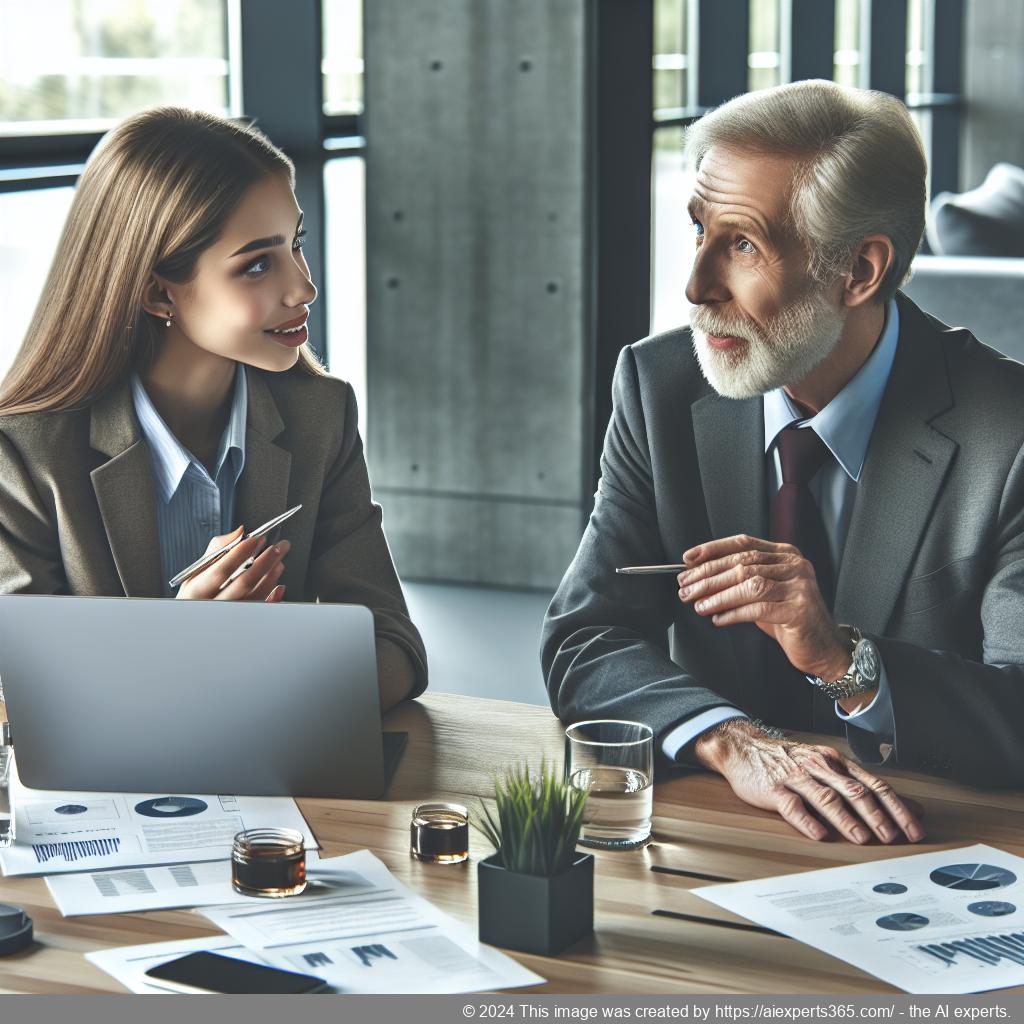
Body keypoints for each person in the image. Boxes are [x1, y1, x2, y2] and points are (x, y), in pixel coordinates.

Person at [542, 80, 1024, 844]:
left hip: (934, 842)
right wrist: (731, 740)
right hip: (724, 828)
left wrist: (843, 659)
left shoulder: (1010, 431)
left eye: (742, 244)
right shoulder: (659, 384)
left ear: (860, 271)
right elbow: (588, 635)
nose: (696, 286)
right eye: (699, 229)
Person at [0, 107, 426, 712]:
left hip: (282, 759)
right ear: (158, 293)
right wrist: (181, 645)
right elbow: (18, 689)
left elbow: (396, 646)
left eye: (296, 244)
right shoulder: (23, 453)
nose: (304, 287)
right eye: (257, 264)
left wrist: (255, 689)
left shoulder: (321, 415)